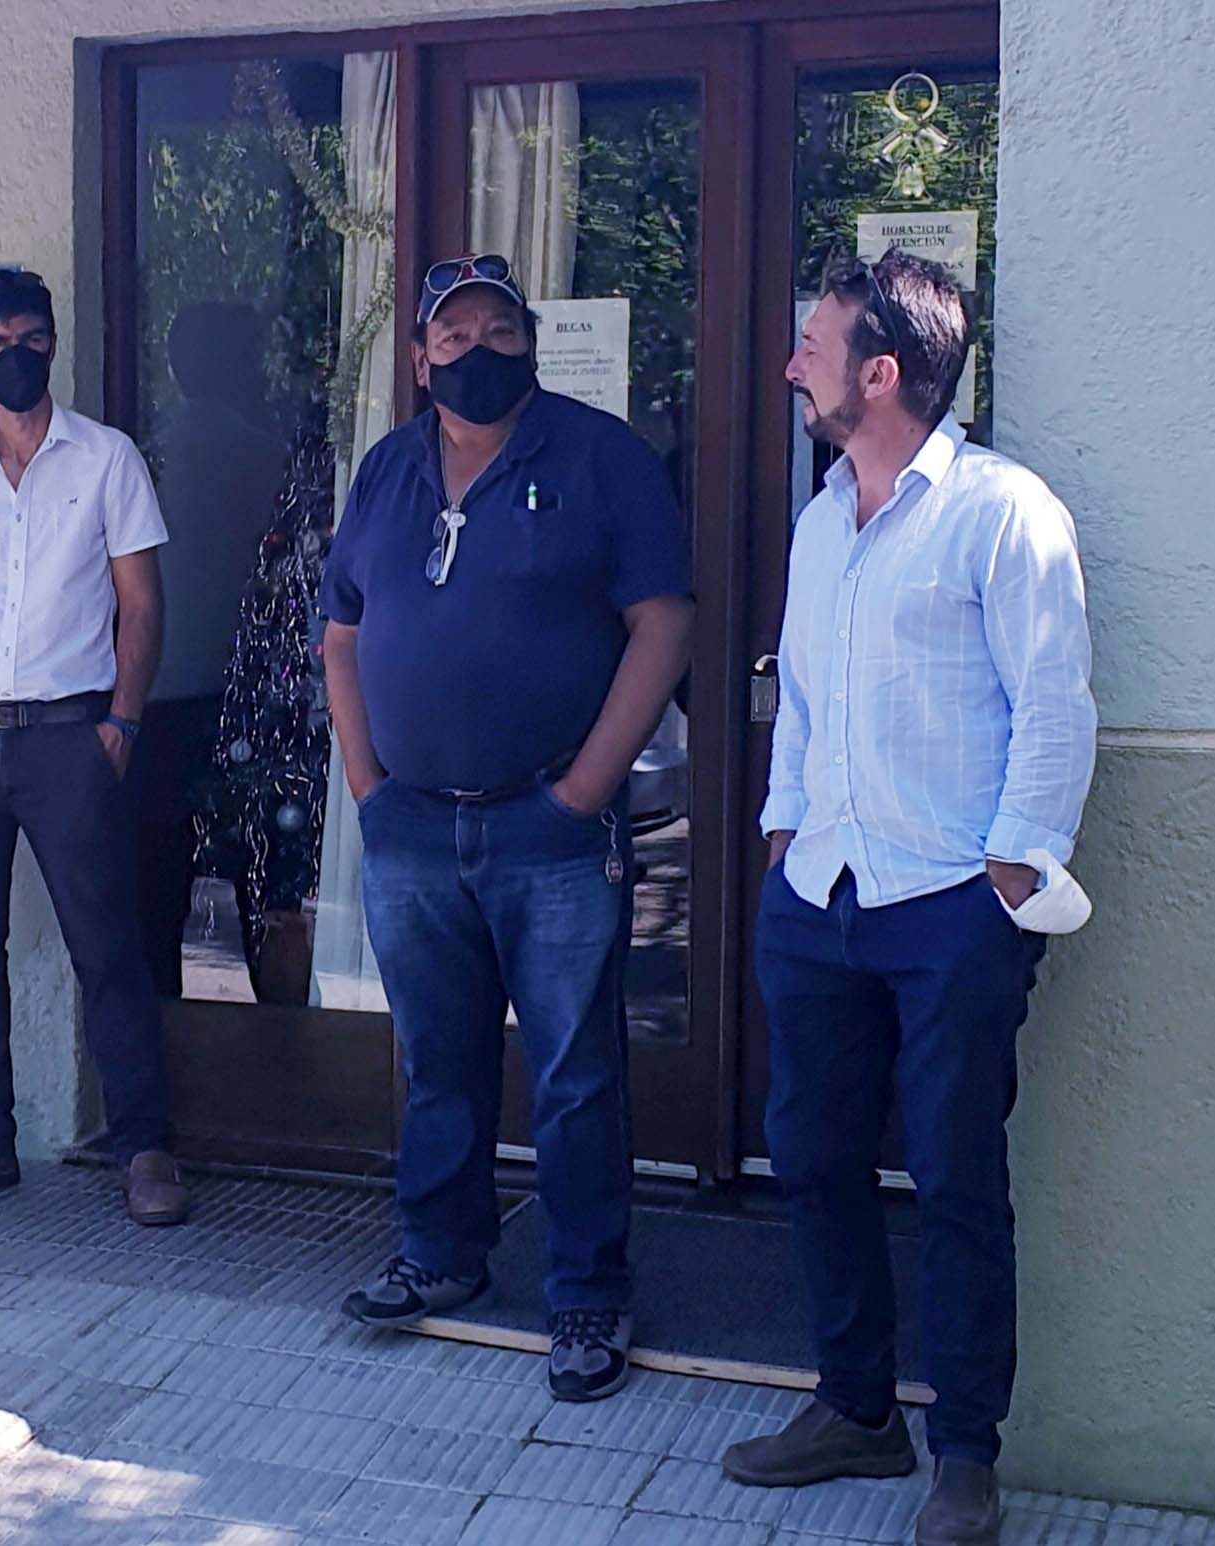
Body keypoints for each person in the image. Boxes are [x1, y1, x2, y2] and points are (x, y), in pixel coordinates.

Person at [721, 252, 1095, 1546]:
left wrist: (1010, 872)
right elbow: (801, 697)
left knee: (952, 1177)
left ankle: (966, 1454)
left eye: (813, 346)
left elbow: (1053, 703)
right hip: (818, 893)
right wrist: (781, 829)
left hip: (949, 907)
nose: (791, 367)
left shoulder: (1003, 512)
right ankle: (854, 1407)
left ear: (880, 373)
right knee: (813, 1157)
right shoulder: (821, 519)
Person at [322, 255, 693, 1402]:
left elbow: (662, 625)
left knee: (575, 1071)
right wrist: (368, 787)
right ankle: (439, 1253)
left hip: (550, 828)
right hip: (410, 827)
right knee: (435, 1059)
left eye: (497, 330)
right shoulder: (384, 470)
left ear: (528, 343)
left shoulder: (597, 458)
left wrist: (583, 788)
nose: (475, 350)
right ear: (418, 357)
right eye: (452, 335)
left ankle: (585, 1294)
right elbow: (341, 636)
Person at [0, 268, 188, 1226]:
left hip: (69, 741)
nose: (15, 357)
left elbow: (141, 602)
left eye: (30, 340)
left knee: (107, 949)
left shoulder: (106, 459)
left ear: (52, 342)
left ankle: (144, 1149)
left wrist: (121, 723)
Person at [133, 301, 289, 996]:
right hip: (244, 690)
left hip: (158, 688)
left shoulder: (151, 454)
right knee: (262, 870)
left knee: (159, 872)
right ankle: (274, 1022)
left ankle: (165, 1016)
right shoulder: (268, 457)